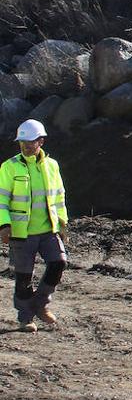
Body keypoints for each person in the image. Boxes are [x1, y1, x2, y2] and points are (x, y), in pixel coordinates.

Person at [0, 119, 68, 332]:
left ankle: (40, 304)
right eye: (22, 143)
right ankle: (25, 317)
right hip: (22, 233)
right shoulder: (9, 167)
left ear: (41, 141)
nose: (26, 146)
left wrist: (63, 224)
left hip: (48, 230)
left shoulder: (52, 166)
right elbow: (1, 199)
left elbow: (59, 197)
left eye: (30, 142)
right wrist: (4, 224)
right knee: (23, 277)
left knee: (59, 262)